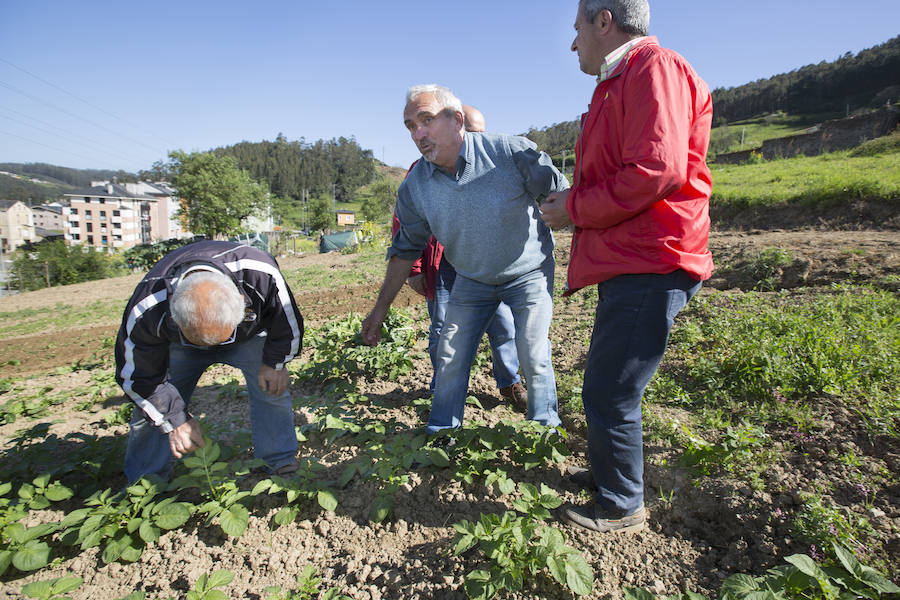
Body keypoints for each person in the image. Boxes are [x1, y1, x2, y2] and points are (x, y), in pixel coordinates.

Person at [539, 0, 714, 533]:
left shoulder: (653, 69)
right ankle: (607, 474)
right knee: (605, 380)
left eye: (576, 29)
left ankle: (621, 502)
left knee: (612, 387)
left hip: (652, 256)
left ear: (603, 21)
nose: (573, 43)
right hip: (636, 255)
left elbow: (654, 172)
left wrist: (571, 208)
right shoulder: (623, 81)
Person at [363, 84, 567, 435]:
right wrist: (379, 309)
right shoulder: (415, 186)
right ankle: (442, 433)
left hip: (528, 272)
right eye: (410, 125)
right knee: (450, 354)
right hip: (472, 279)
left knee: (532, 351)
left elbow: (561, 195)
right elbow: (404, 249)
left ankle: (544, 434)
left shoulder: (509, 152)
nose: (418, 133)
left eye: (426, 120)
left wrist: (566, 211)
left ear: (457, 120)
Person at [115, 240, 304, 482]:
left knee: (272, 388)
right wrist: (173, 419)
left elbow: (286, 320)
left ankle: (278, 461)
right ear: (174, 315)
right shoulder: (148, 308)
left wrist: (275, 363)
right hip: (180, 348)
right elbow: (139, 378)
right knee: (151, 410)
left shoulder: (258, 273)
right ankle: (145, 482)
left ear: (241, 302)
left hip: (246, 338)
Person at [396, 104, 528, 410]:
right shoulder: (421, 170)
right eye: (474, 133)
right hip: (443, 265)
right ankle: (444, 388)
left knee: (503, 324)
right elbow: (403, 222)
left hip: (488, 264)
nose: (481, 140)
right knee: (444, 328)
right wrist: (415, 267)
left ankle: (509, 383)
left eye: (483, 133)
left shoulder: (494, 165)